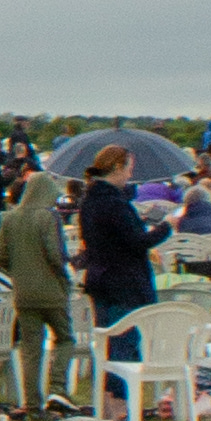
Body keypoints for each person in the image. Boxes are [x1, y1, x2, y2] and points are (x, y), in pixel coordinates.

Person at [72, 142, 157, 387]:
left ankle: (110, 400)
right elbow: (135, 242)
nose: (131, 174)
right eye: (129, 168)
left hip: (99, 277)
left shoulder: (90, 200)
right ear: (118, 167)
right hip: (123, 281)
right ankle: (119, 399)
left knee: (107, 342)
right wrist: (166, 227)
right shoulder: (114, 203)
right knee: (123, 343)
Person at [3, 152, 77, 421]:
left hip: (23, 293)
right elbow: (55, 255)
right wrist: (62, 277)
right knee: (66, 338)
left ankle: (33, 408)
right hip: (52, 291)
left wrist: (18, 272)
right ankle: (57, 387)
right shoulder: (49, 218)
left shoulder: (8, 218)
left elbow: (0, 255)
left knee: (30, 350)